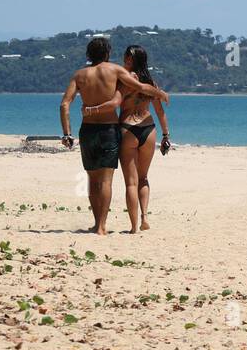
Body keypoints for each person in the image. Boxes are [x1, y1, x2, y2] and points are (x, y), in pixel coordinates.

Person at [59, 36, 169, 235]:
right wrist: (160, 94)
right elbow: (142, 88)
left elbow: (65, 104)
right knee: (108, 181)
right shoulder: (115, 70)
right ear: (107, 53)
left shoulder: (79, 75)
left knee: (93, 180)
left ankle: (97, 223)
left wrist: (67, 133)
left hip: (89, 130)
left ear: (88, 54)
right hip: (112, 129)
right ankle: (103, 226)